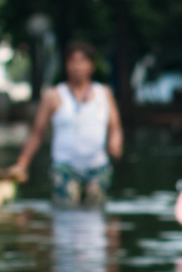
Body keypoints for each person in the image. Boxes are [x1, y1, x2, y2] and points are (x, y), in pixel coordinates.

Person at [8, 40, 122, 206]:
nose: (77, 67)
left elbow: (115, 127)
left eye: (82, 61)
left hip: (97, 166)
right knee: (67, 206)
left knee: (96, 206)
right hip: (65, 166)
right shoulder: (53, 96)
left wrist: (115, 143)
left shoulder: (103, 93)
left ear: (91, 65)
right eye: (72, 61)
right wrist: (22, 163)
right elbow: (37, 133)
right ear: (66, 65)